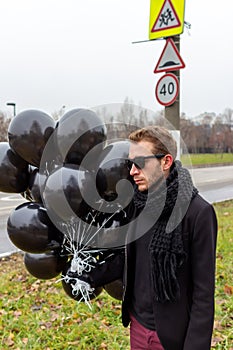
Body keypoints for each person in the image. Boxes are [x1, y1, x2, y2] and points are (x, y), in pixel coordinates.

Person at [82, 126, 218, 350]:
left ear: (166, 162)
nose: (132, 171)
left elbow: (203, 294)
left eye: (140, 163)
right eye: (130, 164)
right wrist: (90, 274)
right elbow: (129, 260)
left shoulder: (198, 213)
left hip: (173, 336)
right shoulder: (137, 204)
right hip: (137, 326)